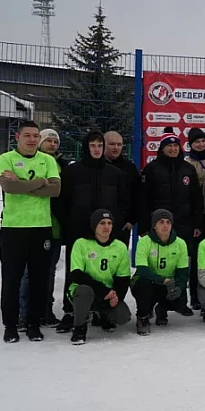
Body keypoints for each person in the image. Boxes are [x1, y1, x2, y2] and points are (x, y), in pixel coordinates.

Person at [54, 131, 128, 334]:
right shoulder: (72, 172)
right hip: (78, 233)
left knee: (105, 272)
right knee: (75, 272)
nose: (96, 149)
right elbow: (60, 203)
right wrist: (69, 225)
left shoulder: (114, 174)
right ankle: (71, 312)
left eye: (99, 146)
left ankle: (103, 311)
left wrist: (115, 223)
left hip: (106, 234)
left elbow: (123, 204)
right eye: (92, 145)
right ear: (86, 147)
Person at [0, 121, 61, 343]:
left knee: (39, 280)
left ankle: (35, 324)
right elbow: (10, 187)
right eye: (28, 135)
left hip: (41, 229)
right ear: (18, 137)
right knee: (11, 280)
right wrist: (40, 182)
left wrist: (24, 184)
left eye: (36, 136)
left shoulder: (48, 160)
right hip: (13, 229)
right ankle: (11, 326)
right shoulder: (6, 159)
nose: (32, 139)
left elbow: (55, 190)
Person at [139, 127, 203, 312]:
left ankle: (185, 301)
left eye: (176, 145)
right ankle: (156, 302)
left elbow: (196, 199)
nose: (173, 149)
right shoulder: (151, 169)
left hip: (184, 225)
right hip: (159, 229)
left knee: (184, 264)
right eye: (169, 146)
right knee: (159, 265)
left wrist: (198, 223)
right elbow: (144, 200)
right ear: (162, 148)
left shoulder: (188, 169)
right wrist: (144, 226)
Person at [18, 128, 69, 329]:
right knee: (27, 272)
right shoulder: (29, 161)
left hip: (53, 228)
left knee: (48, 272)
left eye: (56, 141)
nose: (52, 144)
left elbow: (59, 193)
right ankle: (25, 312)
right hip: (28, 225)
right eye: (48, 140)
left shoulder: (62, 166)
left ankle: (45, 311)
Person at [68, 209, 131, 345]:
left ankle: (103, 317)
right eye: (102, 223)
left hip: (108, 294)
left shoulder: (119, 246)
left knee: (123, 316)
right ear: (94, 225)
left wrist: (116, 296)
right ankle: (79, 327)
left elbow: (123, 278)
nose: (106, 227)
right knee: (84, 291)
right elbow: (77, 275)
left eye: (109, 223)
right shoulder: (81, 244)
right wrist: (103, 291)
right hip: (85, 291)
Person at [130, 209, 189, 335]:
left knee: (180, 301)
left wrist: (179, 287)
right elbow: (142, 270)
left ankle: (162, 308)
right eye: (161, 222)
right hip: (147, 281)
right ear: (154, 225)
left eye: (168, 222)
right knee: (143, 286)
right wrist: (162, 280)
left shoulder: (180, 243)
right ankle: (143, 316)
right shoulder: (145, 242)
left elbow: (183, 273)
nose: (165, 225)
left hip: (168, 283)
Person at [104, 131, 141, 247]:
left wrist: (131, 221)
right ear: (103, 145)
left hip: (122, 226)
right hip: (98, 224)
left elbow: (137, 196)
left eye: (119, 145)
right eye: (112, 144)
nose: (116, 148)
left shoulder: (130, 168)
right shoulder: (95, 167)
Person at [184, 127, 205, 223]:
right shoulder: (188, 163)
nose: (201, 144)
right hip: (197, 206)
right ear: (191, 144)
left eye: (203, 141)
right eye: (197, 142)